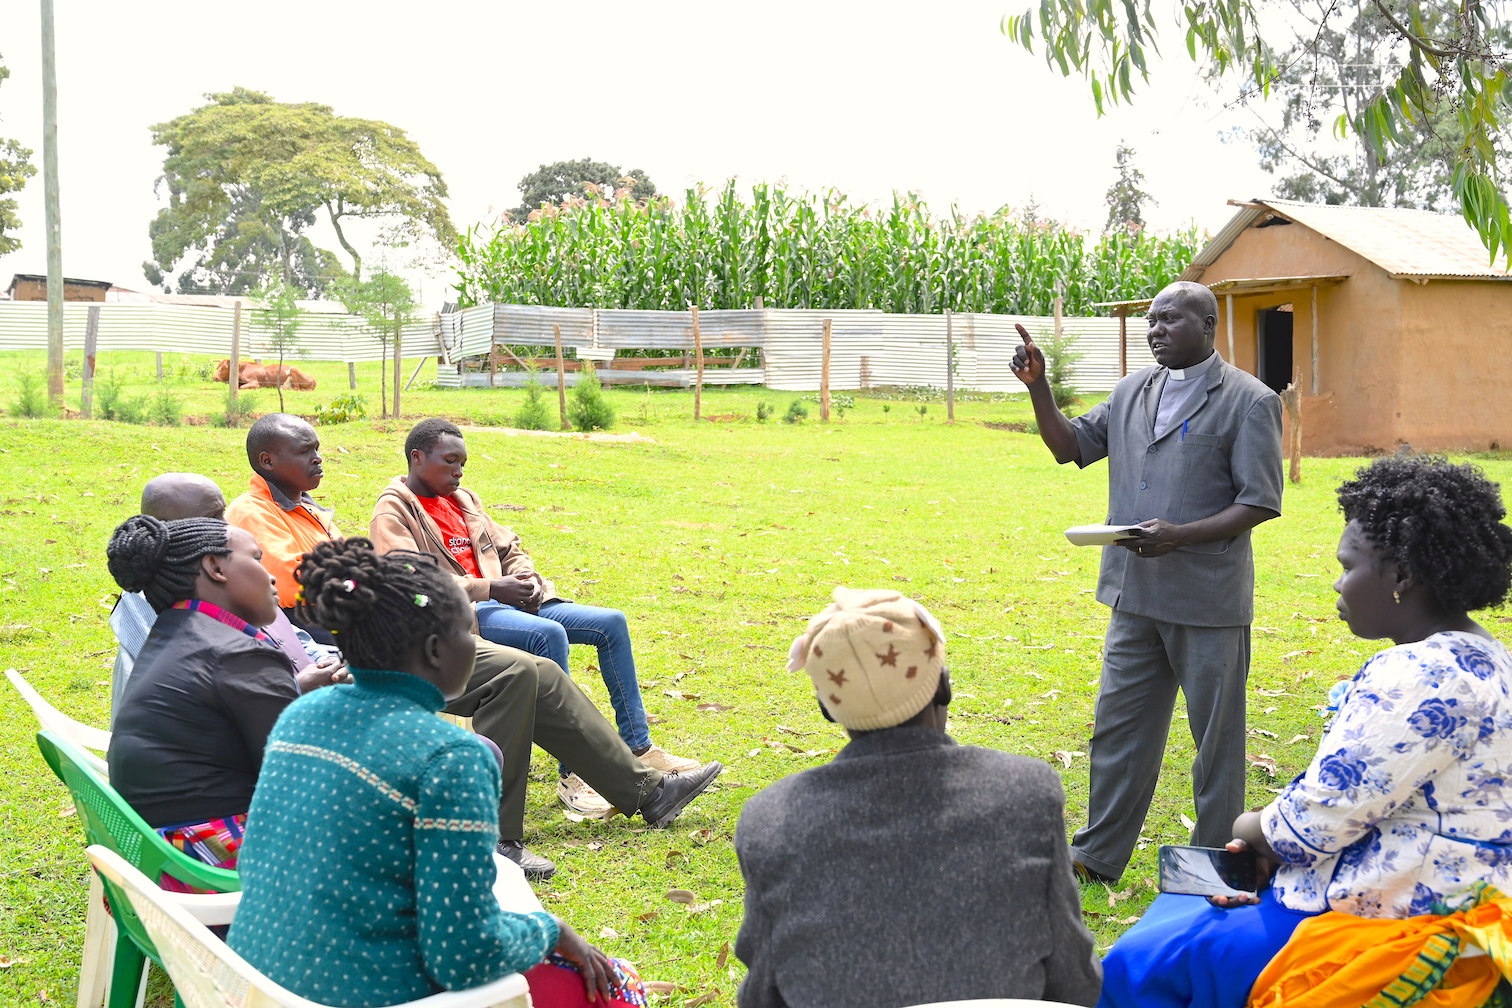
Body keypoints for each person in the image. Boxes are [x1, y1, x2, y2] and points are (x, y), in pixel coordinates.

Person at [226, 415, 723, 879]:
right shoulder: (254, 513)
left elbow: (373, 572)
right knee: (517, 674)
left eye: (318, 449)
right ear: (268, 461)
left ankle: (648, 792)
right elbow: (305, 587)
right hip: (352, 649)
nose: (319, 460)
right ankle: (495, 838)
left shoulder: (309, 509)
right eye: (306, 451)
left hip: (385, 634)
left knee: (539, 672)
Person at [1099, 455, 1512, 1008]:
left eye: (1349, 565)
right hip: (1467, 900)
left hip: (1400, 922)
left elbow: (1309, 825)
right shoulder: (1491, 660)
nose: (1338, 583)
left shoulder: (1416, 675)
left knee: (1148, 955)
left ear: (1402, 576)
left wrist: (1250, 828)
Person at [229, 537, 650, 1008]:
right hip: (355, 990)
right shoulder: (450, 758)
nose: (477, 646)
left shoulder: (302, 712)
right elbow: (464, 955)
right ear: (436, 650)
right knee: (611, 986)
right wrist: (551, 930)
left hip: (256, 976)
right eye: (471, 634)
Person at [1011, 280, 1283, 883]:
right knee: (1119, 729)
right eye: (1152, 321)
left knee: (1215, 744)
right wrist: (1039, 389)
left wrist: (1180, 535)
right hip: (1134, 593)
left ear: (1209, 327)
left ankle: (1214, 863)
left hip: (1208, 598)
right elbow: (1070, 447)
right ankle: (1097, 854)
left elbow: (1260, 502)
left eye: (1171, 320)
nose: (1156, 330)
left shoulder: (1249, 401)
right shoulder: (1134, 390)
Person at [734, 588, 1102, 1008]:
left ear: (826, 707)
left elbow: (764, 993)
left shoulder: (771, 818)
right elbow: (1076, 982)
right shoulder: (1027, 790)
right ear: (942, 684)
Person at [369, 418, 701, 817]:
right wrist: (491, 588)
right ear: (417, 458)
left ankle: (638, 747)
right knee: (548, 635)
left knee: (611, 622)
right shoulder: (392, 509)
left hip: (513, 599)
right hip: (467, 612)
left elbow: (509, 545)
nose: (458, 471)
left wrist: (523, 577)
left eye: (463, 463)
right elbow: (410, 579)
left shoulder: (465, 500)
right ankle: (574, 774)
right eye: (449, 462)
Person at [104, 513, 335, 882]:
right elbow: (299, 780)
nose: (272, 575)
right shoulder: (238, 653)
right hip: (212, 862)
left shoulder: (173, 633)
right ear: (216, 568)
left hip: (163, 856)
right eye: (257, 559)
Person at [109, 473, 342, 718]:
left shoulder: (223, 575)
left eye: (222, 512)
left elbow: (288, 636)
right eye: (211, 517)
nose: (227, 526)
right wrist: (296, 688)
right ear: (165, 527)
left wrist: (327, 661)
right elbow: (193, 695)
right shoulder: (153, 603)